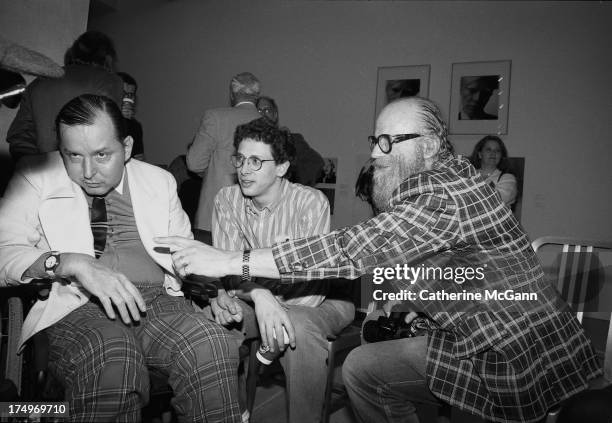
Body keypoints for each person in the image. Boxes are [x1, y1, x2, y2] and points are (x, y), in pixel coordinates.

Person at [156, 96, 602, 423]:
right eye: (376, 139)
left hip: (512, 354)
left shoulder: (442, 192)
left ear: (427, 147)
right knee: (364, 368)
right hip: (468, 336)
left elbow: (350, 250)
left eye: (389, 141)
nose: (373, 152)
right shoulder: (448, 178)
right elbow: (451, 266)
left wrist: (232, 261)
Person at [0, 94, 241, 422]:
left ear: (126, 147)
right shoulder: (35, 174)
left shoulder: (159, 181)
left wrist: (213, 287)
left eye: (102, 155)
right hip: (78, 304)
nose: (88, 171)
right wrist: (71, 262)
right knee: (113, 354)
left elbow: (185, 250)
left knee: (211, 343)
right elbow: (4, 251)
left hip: (156, 304)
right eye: (73, 155)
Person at [210, 117, 354, 423]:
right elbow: (228, 269)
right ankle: (234, 412)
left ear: (281, 167)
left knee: (297, 326)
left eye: (256, 161)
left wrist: (263, 301)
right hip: (256, 296)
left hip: (324, 299)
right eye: (240, 158)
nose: (244, 169)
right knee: (214, 321)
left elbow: (310, 283)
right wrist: (260, 296)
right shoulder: (226, 200)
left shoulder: (310, 202)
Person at [6, 30, 123, 161]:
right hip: (85, 171)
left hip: (40, 168)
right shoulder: (111, 81)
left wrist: (34, 168)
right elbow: (111, 136)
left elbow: (20, 136)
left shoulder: (40, 81)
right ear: (108, 57)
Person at [187, 72, 262, 231]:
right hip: (256, 215)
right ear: (257, 96)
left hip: (217, 210)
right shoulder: (267, 125)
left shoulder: (215, 117)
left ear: (232, 94)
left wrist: (213, 170)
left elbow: (194, 163)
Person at [256, 95, 325, 187]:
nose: (263, 114)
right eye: (259, 111)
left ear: (275, 115)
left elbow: (316, 163)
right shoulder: (246, 143)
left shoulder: (293, 140)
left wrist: (295, 186)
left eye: (267, 110)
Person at [469, 135, 517, 207]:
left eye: (497, 151)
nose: (493, 153)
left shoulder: (508, 179)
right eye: (488, 149)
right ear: (480, 154)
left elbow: (496, 201)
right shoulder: (467, 175)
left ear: (501, 156)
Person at [117, 71, 145, 161]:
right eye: (122, 93)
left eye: (130, 95)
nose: (126, 98)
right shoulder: (96, 119)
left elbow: (138, 160)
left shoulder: (135, 126)